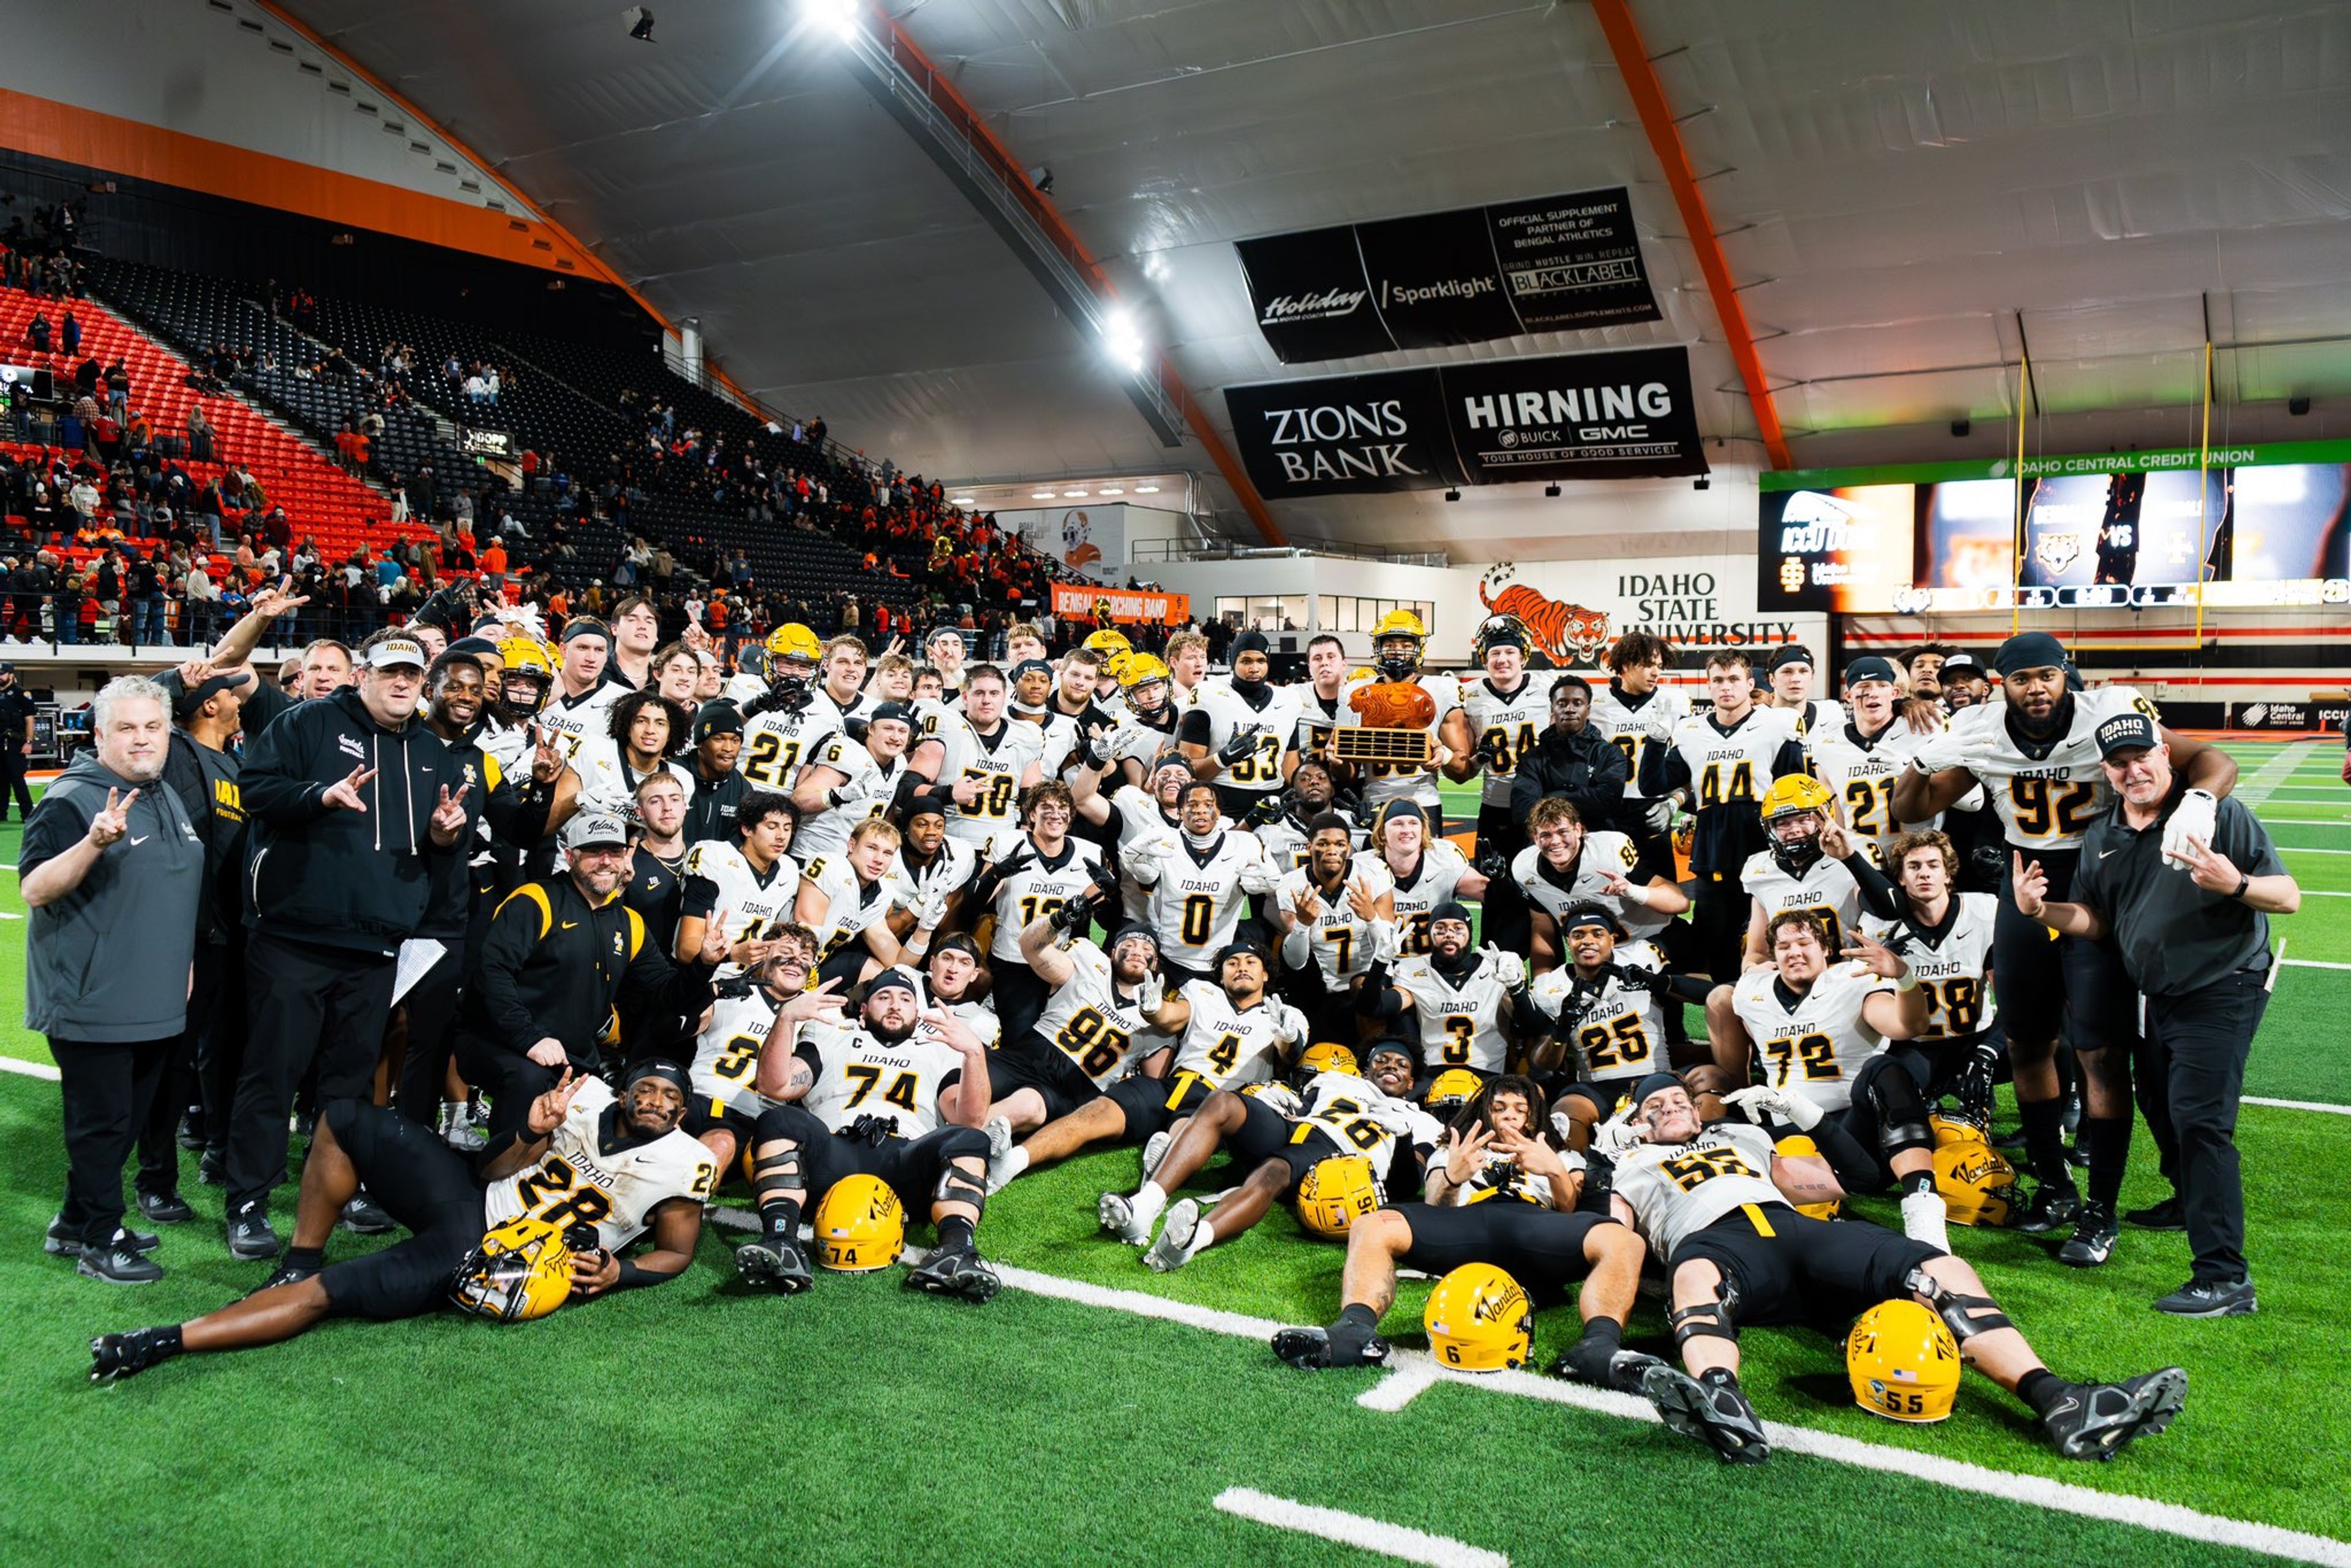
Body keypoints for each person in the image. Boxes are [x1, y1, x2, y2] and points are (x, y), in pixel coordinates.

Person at [1599, 1076, 2186, 1465]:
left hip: (1800, 1233)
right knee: (1692, 1274)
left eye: (1679, 1099)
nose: (1672, 1107)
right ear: (1639, 1124)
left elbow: (1844, 1182)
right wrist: (1600, 1168)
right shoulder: (1631, 1165)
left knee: (1939, 1267)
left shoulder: (1741, 1136)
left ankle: (2057, 1398)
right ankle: (1721, 1400)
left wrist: (1804, 1120)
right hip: (1718, 1245)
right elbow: (1616, 1240)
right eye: (1656, 1107)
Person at [1892, 631, 2238, 1253]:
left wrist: (2203, 801)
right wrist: (1923, 760)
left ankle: (2100, 1207)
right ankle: (2055, 1185)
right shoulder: (1979, 729)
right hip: (2023, 890)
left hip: (2098, 887)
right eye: (2021, 678)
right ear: (2003, 685)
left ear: (2064, 674)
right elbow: (1912, 810)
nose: (2036, 688)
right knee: (2028, 1044)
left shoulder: (2106, 714)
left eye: (2045, 675)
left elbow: (2210, 758)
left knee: (2103, 1054)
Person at [88, 1061, 716, 1382]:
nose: (656, 1101)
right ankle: (301, 1254)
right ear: (629, 1086)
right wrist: (532, 1126)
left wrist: (620, 1271)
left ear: (684, 1110)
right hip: (476, 1199)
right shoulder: (584, 1096)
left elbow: (679, 1253)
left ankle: (162, 1339)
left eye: (671, 1097)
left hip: (492, 1257)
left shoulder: (686, 1162)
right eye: (648, 1087)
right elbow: (487, 1167)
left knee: (324, 1298)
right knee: (344, 1117)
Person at [2014, 710, 2297, 1314]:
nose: (2133, 768)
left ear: (2166, 755)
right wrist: (2041, 911)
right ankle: (2183, 1199)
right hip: (2157, 993)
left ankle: (2225, 1277)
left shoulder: (2218, 816)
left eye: (2143, 756)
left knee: (2201, 1122)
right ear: (2107, 772)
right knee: (2158, 1101)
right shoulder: (2104, 833)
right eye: (2119, 762)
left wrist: (2235, 883)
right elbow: (2095, 921)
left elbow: (2288, 896)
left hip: (2224, 983)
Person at [226, 633, 471, 1262]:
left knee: (350, 1085)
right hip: (294, 935)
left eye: (412, 675)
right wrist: (320, 796)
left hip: (377, 944)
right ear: (363, 673)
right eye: (389, 671)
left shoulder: (431, 753)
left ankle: (339, 1188)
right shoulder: (306, 722)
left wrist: (444, 838)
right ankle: (248, 1200)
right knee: (272, 1071)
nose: (401, 683)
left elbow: (435, 854)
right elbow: (255, 789)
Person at [1272, 1075, 1647, 1382]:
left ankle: (1599, 1347)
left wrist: (1553, 1170)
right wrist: (1453, 1175)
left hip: (1536, 1227)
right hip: (1466, 1226)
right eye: (1499, 1108)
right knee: (1372, 1224)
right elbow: (1436, 1206)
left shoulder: (1559, 1153)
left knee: (1624, 1242)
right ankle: (1354, 1328)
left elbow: (1568, 1212)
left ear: (1533, 1117)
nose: (1509, 1116)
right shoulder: (1457, 1146)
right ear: (1485, 1111)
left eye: (1519, 1109)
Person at [26, 677, 205, 1283]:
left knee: (125, 1123)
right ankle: (101, 1239)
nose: (141, 739)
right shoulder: (73, 799)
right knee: (103, 1124)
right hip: (91, 1000)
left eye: (152, 727)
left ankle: (76, 1219)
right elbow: (34, 887)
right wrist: (92, 843)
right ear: (99, 734)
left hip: (155, 998)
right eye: (125, 727)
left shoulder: (160, 792)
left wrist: (180, 963)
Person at [454, 812, 733, 1138]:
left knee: (604, 1129)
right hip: (502, 1043)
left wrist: (703, 964)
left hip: (573, 1057)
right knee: (527, 1083)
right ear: (570, 857)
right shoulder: (535, 900)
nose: (605, 861)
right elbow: (492, 973)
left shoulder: (629, 922)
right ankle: (491, 1177)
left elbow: (665, 993)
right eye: (593, 851)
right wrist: (529, 1038)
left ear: (626, 857)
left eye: (614, 852)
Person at [731, 968, 1002, 1300]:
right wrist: (786, 1020)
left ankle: (956, 1252)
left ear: (917, 1015)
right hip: (833, 1154)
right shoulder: (832, 1034)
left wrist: (974, 1054)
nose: (894, 1005)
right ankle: (780, 1240)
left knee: (972, 1140)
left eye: (905, 999)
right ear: (863, 1010)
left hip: (902, 1159)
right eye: (883, 997)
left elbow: (970, 1119)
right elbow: (775, 1085)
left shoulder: (939, 1049)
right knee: (781, 1118)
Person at [1109, 1043, 1444, 1272]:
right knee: (1223, 1101)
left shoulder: (1422, 1121)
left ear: (1412, 1081)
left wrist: (1403, 1138)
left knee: (1273, 1171)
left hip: (1335, 1161)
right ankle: (1145, 1204)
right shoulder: (1338, 1081)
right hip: (1294, 1131)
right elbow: (1302, 1108)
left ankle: (1190, 1242)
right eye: (1381, 1061)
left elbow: (1407, 1184)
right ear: (1366, 1070)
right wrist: (1278, 1101)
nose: (1391, 1067)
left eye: (1401, 1065)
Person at [1663, 650, 1805, 983]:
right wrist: (1657, 743)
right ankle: (1728, 1018)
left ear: (1750, 683)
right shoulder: (1690, 730)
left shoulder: (1777, 723)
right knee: (1718, 941)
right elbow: (1661, 782)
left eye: (1734, 680)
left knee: (1771, 935)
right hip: (1713, 850)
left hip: (1764, 847)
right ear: (1709, 686)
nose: (1726, 687)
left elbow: (1793, 786)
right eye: (1718, 680)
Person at [1445, 616, 1555, 867]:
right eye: (1494, 653)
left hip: (1540, 803)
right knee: (1492, 884)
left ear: (1523, 656)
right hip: (1495, 806)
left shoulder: (1547, 689)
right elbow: (1464, 772)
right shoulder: (1470, 696)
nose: (1502, 659)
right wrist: (1478, 758)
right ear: (1484, 659)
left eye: (1509, 652)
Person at [1179, 629, 1299, 819]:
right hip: (1221, 804)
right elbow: (1187, 769)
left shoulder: (1289, 701)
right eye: (1246, 661)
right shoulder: (1210, 695)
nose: (1254, 668)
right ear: (1234, 662)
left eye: (1261, 661)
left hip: (1272, 802)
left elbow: (1291, 769)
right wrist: (1223, 758)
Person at [0, 661, 36, 820]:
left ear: (11, 674)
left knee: (17, 779)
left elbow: (29, 720)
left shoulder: (21, 694)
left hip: (15, 742)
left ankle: (27, 814)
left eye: (2, 673)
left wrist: (28, 742)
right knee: (1, 780)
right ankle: (1, 813)